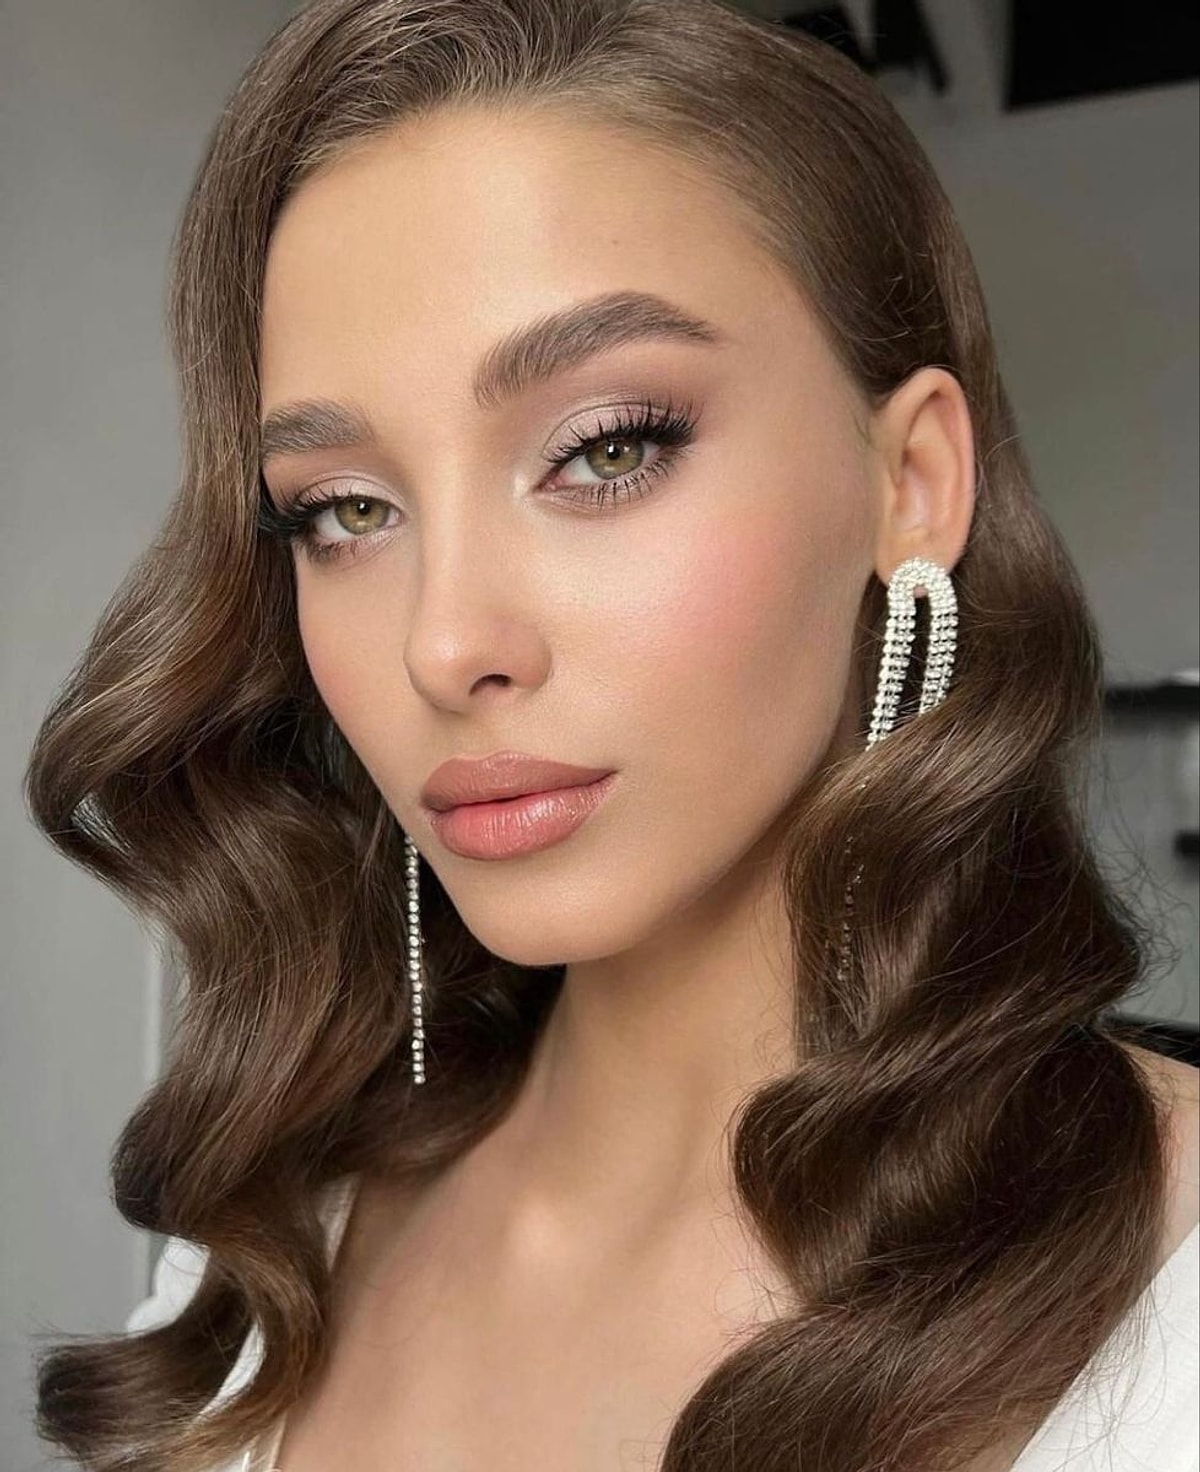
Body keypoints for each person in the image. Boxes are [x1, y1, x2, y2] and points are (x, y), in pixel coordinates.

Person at [24, 1, 1198, 1469]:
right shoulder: (261, 1254)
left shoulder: (1176, 1294)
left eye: (607, 448)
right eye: (346, 509)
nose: (445, 643)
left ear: (910, 482)